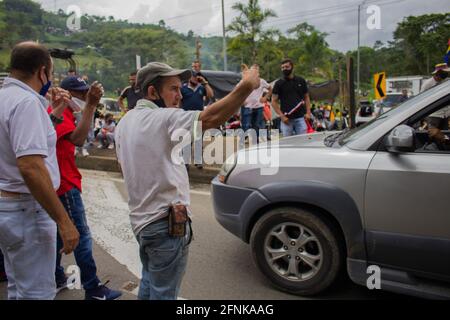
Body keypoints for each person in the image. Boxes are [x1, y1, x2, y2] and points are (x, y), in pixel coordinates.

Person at [115, 62, 260, 300]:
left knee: (150, 283)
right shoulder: (164, 118)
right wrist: (246, 86)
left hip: (141, 223)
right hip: (164, 225)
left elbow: (123, 167)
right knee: (164, 294)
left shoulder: (124, 123)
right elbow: (211, 117)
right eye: (173, 88)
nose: (180, 96)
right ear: (153, 92)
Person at [0, 41, 79, 300]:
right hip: (27, 211)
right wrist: (64, 221)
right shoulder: (27, 103)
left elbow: (24, 143)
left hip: (9, 206)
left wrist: (55, 112)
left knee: (18, 287)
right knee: (37, 294)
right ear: (42, 72)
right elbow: (31, 167)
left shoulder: (5, 97)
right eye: (51, 73)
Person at [272, 59, 312, 137]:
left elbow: (306, 97)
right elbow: (273, 101)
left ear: (292, 67)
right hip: (286, 119)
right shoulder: (278, 83)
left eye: (287, 67)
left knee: (302, 141)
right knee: (288, 144)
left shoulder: (301, 81)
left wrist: (308, 113)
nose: (284, 69)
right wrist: (282, 116)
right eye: (282, 67)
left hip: (301, 117)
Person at [61, 76, 95, 157]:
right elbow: (78, 140)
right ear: (67, 93)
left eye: (86, 91)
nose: (85, 96)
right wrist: (90, 106)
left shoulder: (74, 111)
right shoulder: (61, 114)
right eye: (81, 92)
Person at [240, 64, 271, 142]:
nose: (254, 71)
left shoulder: (261, 81)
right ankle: (245, 138)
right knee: (246, 124)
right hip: (247, 106)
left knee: (257, 125)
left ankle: (256, 141)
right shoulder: (245, 80)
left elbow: (270, 88)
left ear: (258, 72)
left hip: (258, 106)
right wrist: (242, 100)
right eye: (252, 70)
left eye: (256, 70)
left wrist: (265, 98)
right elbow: (238, 90)